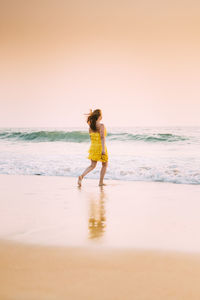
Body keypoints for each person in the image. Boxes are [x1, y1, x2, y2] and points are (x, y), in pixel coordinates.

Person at [78, 109, 108, 186]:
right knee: (104, 164)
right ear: (99, 116)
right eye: (101, 115)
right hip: (100, 147)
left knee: (92, 165)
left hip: (93, 147)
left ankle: (82, 176)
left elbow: (92, 139)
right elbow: (102, 137)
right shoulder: (101, 126)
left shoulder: (90, 127)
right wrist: (103, 149)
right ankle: (101, 182)